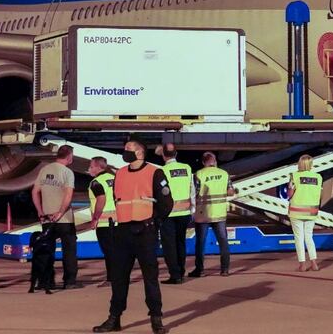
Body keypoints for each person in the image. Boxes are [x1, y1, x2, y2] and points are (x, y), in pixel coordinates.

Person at [93, 138, 172, 334]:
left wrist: (154, 222)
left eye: (128, 149)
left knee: (150, 278)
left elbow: (166, 203)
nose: (124, 151)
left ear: (140, 152)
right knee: (119, 278)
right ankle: (114, 318)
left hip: (145, 232)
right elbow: (118, 199)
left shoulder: (155, 172)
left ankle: (156, 318)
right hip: (123, 231)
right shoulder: (119, 173)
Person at [32, 144, 79, 290]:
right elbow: (68, 195)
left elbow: (35, 192)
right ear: (69, 156)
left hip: (46, 217)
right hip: (64, 219)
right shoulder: (67, 172)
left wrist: (40, 211)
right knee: (69, 250)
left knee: (46, 250)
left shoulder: (44, 170)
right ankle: (69, 281)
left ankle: (45, 281)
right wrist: (60, 212)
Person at [189, 151, 234, 278]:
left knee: (200, 243)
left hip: (203, 214)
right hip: (219, 213)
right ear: (214, 161)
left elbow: (195, 194)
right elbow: (231, 192)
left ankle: (200, 270)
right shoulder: (224, 174)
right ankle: (225, 269)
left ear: (203, 162)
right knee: (223, 242)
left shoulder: (199, 174)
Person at [157, 142, 193, 284]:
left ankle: (175, 274)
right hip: (184, 212)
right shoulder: (187, 168)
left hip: (168, 214)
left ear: (164, 156)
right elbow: (192, 190)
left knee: (169, 246)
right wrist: (192, 209)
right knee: (180, 243)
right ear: (176, 154)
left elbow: (161, 192)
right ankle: (181, 271)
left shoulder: (162, 171)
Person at [87, 156, 118, 286]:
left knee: (109, 252)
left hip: (105, 223)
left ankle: (112, 279)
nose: (89, 169)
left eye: (91, 166)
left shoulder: (96, 182)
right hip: (118, 221)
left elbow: (101, 199)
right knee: (117, 251)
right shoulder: (114, 179)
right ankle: (120, 277)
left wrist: (95, 219)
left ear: (99, 167)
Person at [287, 154, 321, 272]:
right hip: (311, 211)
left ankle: (302, 265)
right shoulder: (318, 177)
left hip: (297, 211)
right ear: (311, 164)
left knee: (299, 238)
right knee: (309, 237)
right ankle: (314, 263)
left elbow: (290, 194)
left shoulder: (294, 176)